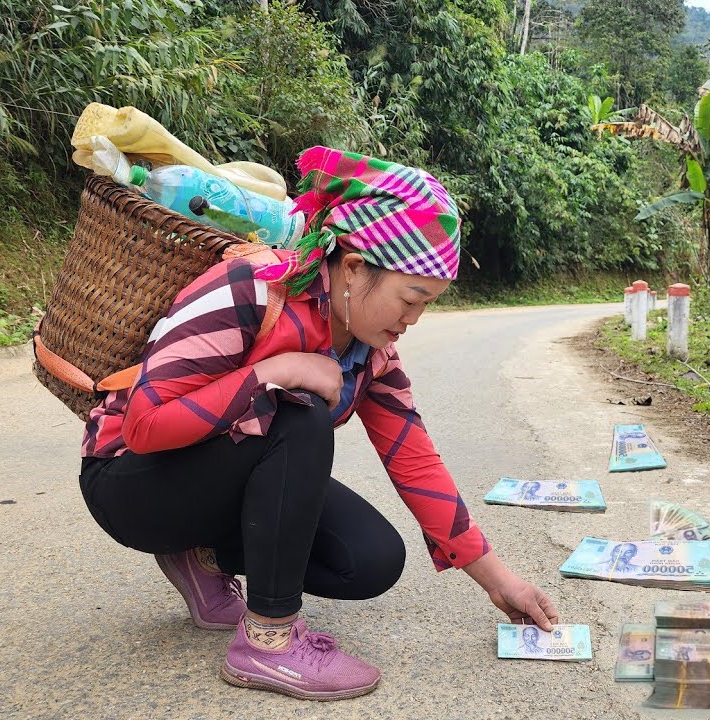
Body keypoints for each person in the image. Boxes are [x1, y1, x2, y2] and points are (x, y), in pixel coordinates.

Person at [78, 147, 559, 701]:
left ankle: (200, 556)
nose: (413, 320)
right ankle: (268, 643)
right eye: (410, 298)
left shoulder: (371, 354)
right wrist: (273, 371)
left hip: (213, 476)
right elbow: (144, 426)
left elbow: (415, 460)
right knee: (300, 417)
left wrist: (502, 583)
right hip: (130, 482)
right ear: (354, 268)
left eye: (427, 304)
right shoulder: (253, 290)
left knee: (371, 560)